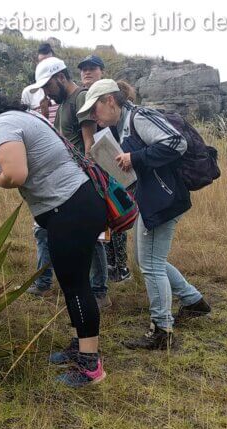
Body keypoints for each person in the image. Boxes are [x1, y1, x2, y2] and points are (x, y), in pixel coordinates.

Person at [0, 95, 107, 388]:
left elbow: (15, 175)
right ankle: (79, 346)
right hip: (76, 204)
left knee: (76, 285)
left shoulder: (3, 126)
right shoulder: (19, 117)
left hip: (70, 207)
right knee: (72, 281)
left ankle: (90, 366)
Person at [77, 79, 212, 350]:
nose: (94, 116)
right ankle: (194, 301)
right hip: (152, 199)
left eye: (96, 109)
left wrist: (133, 158)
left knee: (150, 264)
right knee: (148, 259)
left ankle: (162, 330)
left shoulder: (140, 116)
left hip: (162, 200)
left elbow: (176, 142)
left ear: (110, 101)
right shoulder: (123, 124)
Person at [25, 57, 111, 309]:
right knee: (43, 230)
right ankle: (44, 281)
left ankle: (99, 290)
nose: (46, 93)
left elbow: (89, 143)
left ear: (61, 78)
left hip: (82, 181)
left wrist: (92, 183)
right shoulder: (62, 103)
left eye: (48, 86)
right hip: (63, 179)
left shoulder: (80, 98)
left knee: (92, 235)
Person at [77, 55, 133, 284]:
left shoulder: (112, 102)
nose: (87, 73)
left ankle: (121, 266)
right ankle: (111, 264)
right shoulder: (87, 99)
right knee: (109, 215)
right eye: (83, 69)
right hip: (102, 163)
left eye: (92, 69)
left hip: (118, 162)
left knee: (118, 211)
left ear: (102, 72)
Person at [20, 43, 59, 297]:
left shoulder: (65, 94)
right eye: (39, 61)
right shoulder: (29, 93)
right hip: (39, 165)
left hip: (62, 163)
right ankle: (44, 281)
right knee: (41, 227)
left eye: (47, 61)